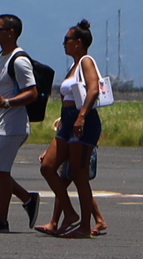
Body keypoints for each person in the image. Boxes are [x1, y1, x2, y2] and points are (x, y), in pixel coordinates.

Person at [0, 15, 51, 232]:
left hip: (11, 125)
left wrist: (7, 103)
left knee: (0, 171)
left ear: (11, 32)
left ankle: (2, 220)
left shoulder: (19, 60)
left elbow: (32, 93)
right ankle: (27, 198)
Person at [42, 21, 111, 238]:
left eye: (67, 40)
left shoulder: (86, 61)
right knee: (48, 166)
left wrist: (81, 117)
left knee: (79, 175)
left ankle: (84, 226)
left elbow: (93, 90)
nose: (64, 44)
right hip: (68, 119)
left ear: (78, 43)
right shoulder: (73, 66)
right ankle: (70, 214)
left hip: (84, 120)